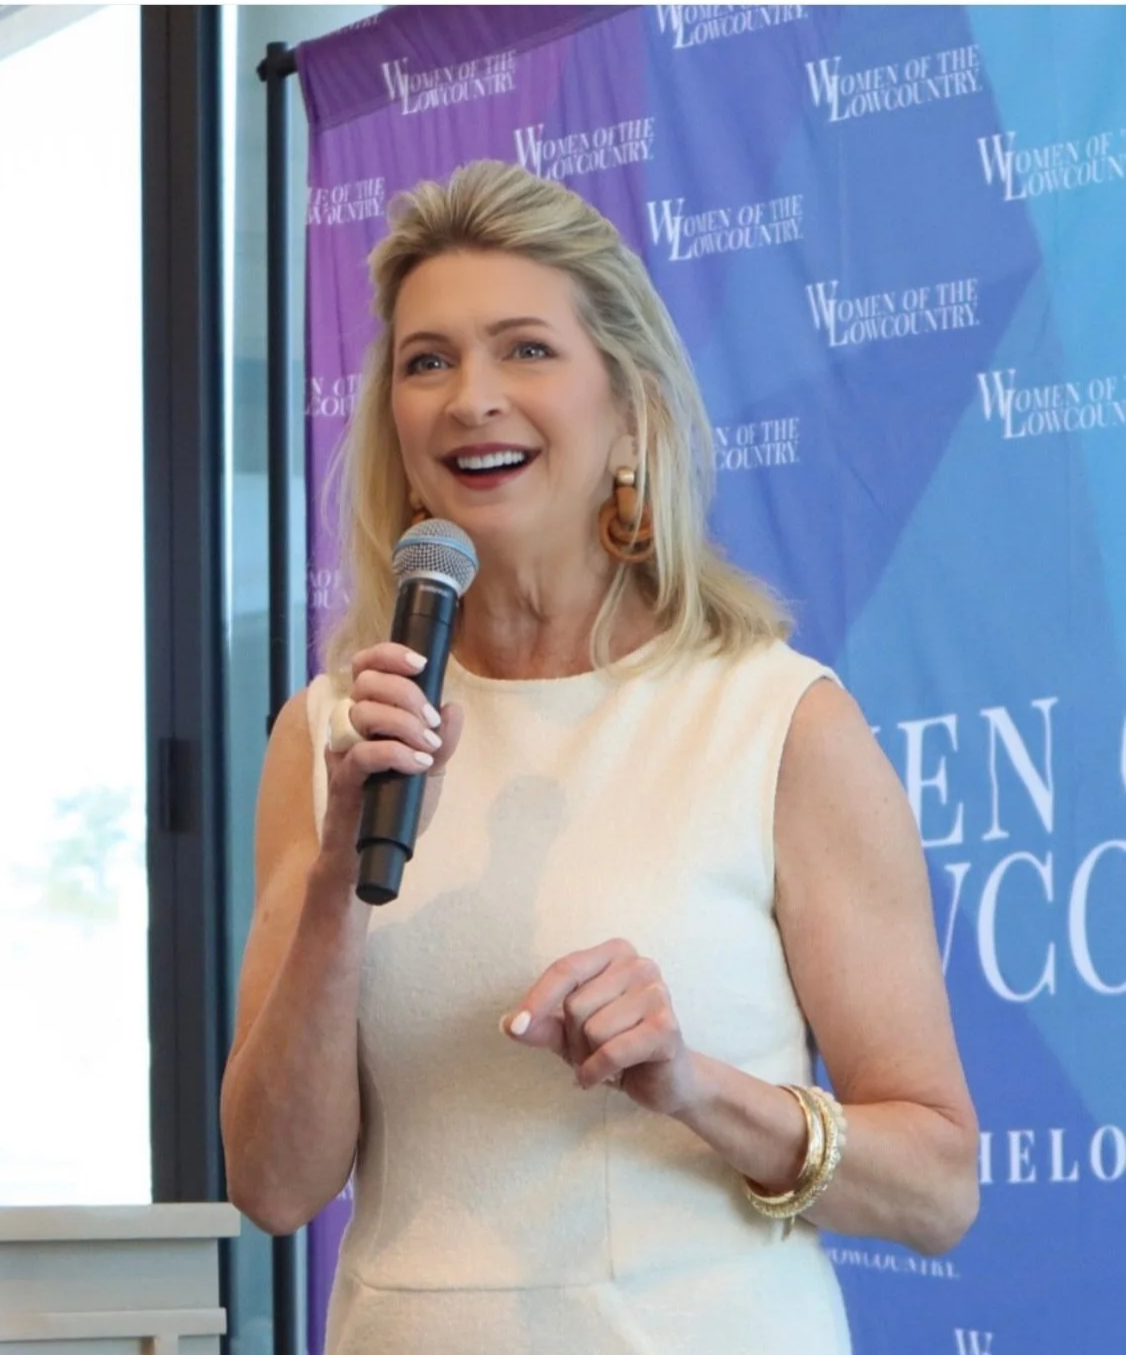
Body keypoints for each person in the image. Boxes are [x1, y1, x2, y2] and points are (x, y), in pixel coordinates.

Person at [220, 159, 979, 1354]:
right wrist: (336, 880)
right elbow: (272, 1182)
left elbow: (937, 1186)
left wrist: (692, 1083)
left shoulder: (778, 721)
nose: (471, 397)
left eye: (525, 349)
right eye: (427, 361)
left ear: (629, 409)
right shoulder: (329, 735)